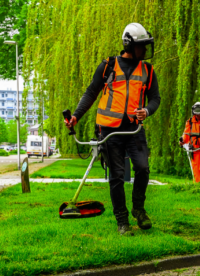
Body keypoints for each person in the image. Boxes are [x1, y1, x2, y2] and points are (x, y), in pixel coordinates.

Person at [64, 23, 160, 235]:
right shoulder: (108, 66)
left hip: (134, 129)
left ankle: (138, 208)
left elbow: (155, 99)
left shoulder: (148, 70)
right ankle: (122, 222)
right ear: (129, 45)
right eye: (141, 46)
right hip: (109, 129)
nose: (145, 51)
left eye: (146, 46)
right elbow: (91, 92)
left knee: (142, 168)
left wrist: (147, 110)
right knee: (116, 175)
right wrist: (76, 117)